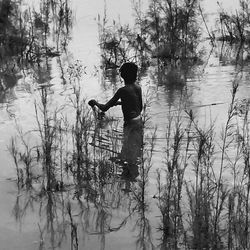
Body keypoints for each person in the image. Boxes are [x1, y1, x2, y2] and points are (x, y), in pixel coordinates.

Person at [88, 62, 143, 181]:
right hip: (139, 122)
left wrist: (95, 102)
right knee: (136, 147)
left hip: (129, 124)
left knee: (126, 149)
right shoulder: (138, 87)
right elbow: (139, 107)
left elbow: (104, 108)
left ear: (122, 76)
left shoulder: (122, 90)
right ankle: (131, 167)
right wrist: (120, 103)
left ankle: (128, 167)